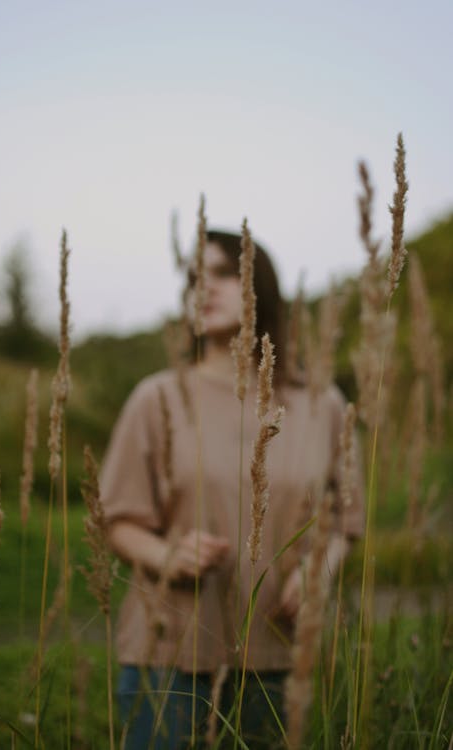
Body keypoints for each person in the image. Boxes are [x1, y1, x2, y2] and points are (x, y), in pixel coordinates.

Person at [99, 230, 364, 749]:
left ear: (259, 287)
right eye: (194, 278)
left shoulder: (321, 402)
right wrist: (167, 552)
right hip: (170, 654)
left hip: (282, 653)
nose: (204, 288)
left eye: (222, 273)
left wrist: (319, 569)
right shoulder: (158, 397)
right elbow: (117, 520)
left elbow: (344, 522)